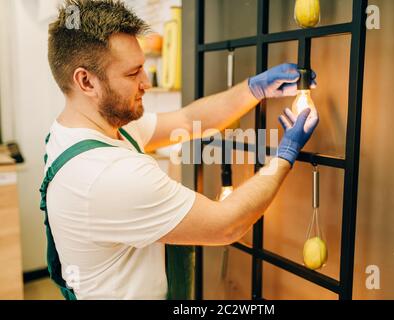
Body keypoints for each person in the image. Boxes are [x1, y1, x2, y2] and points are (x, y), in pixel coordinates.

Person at [41, 0, 319, 300]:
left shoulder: (83, 129)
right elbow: (227, 224)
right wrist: (284, 156)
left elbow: (186, 121)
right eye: (133, 73)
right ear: (86, 81)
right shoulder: (108, 175)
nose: (146, 82)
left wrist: (253, 89)